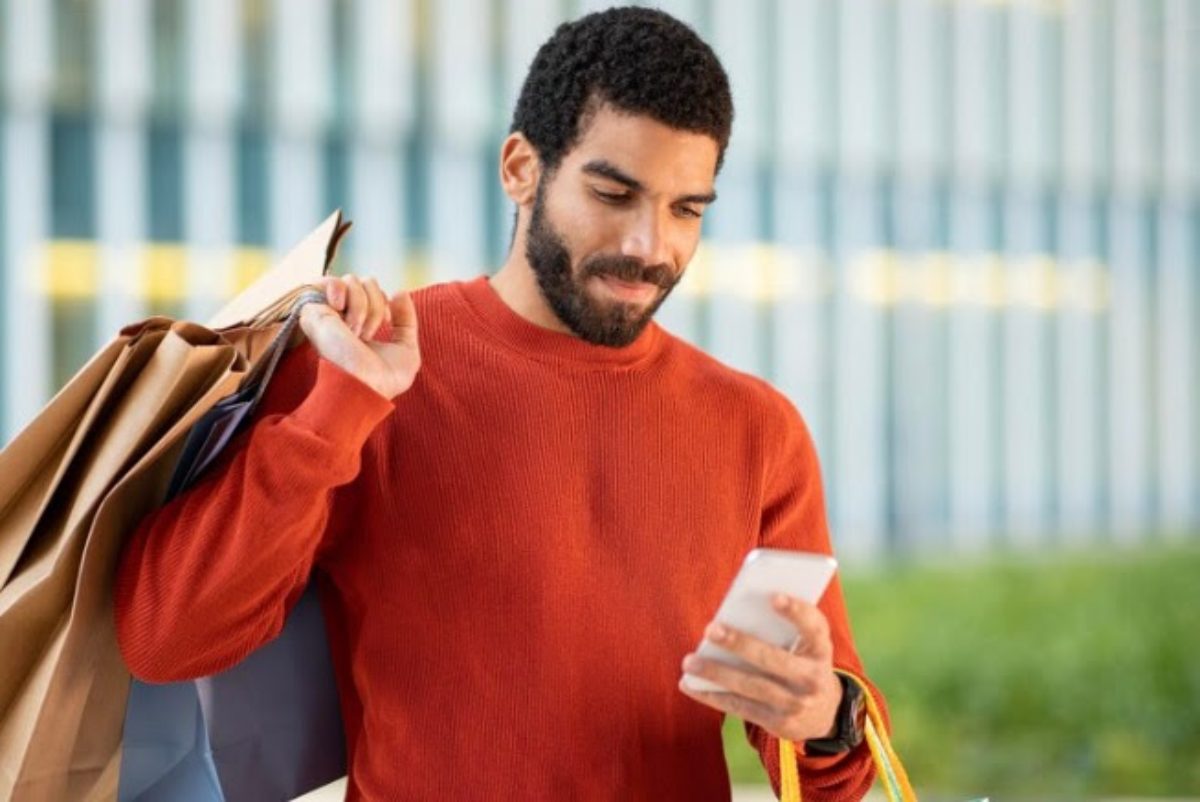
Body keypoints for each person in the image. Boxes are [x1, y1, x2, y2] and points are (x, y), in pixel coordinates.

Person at [115, 7, 887, 801]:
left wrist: (825, 715)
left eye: (686, 209)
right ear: (520, 167)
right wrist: (331, 415)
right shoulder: (368, 369)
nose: (650, 246)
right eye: (613, 192)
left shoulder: (756, 430)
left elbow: (845, 775)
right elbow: (165, 639)